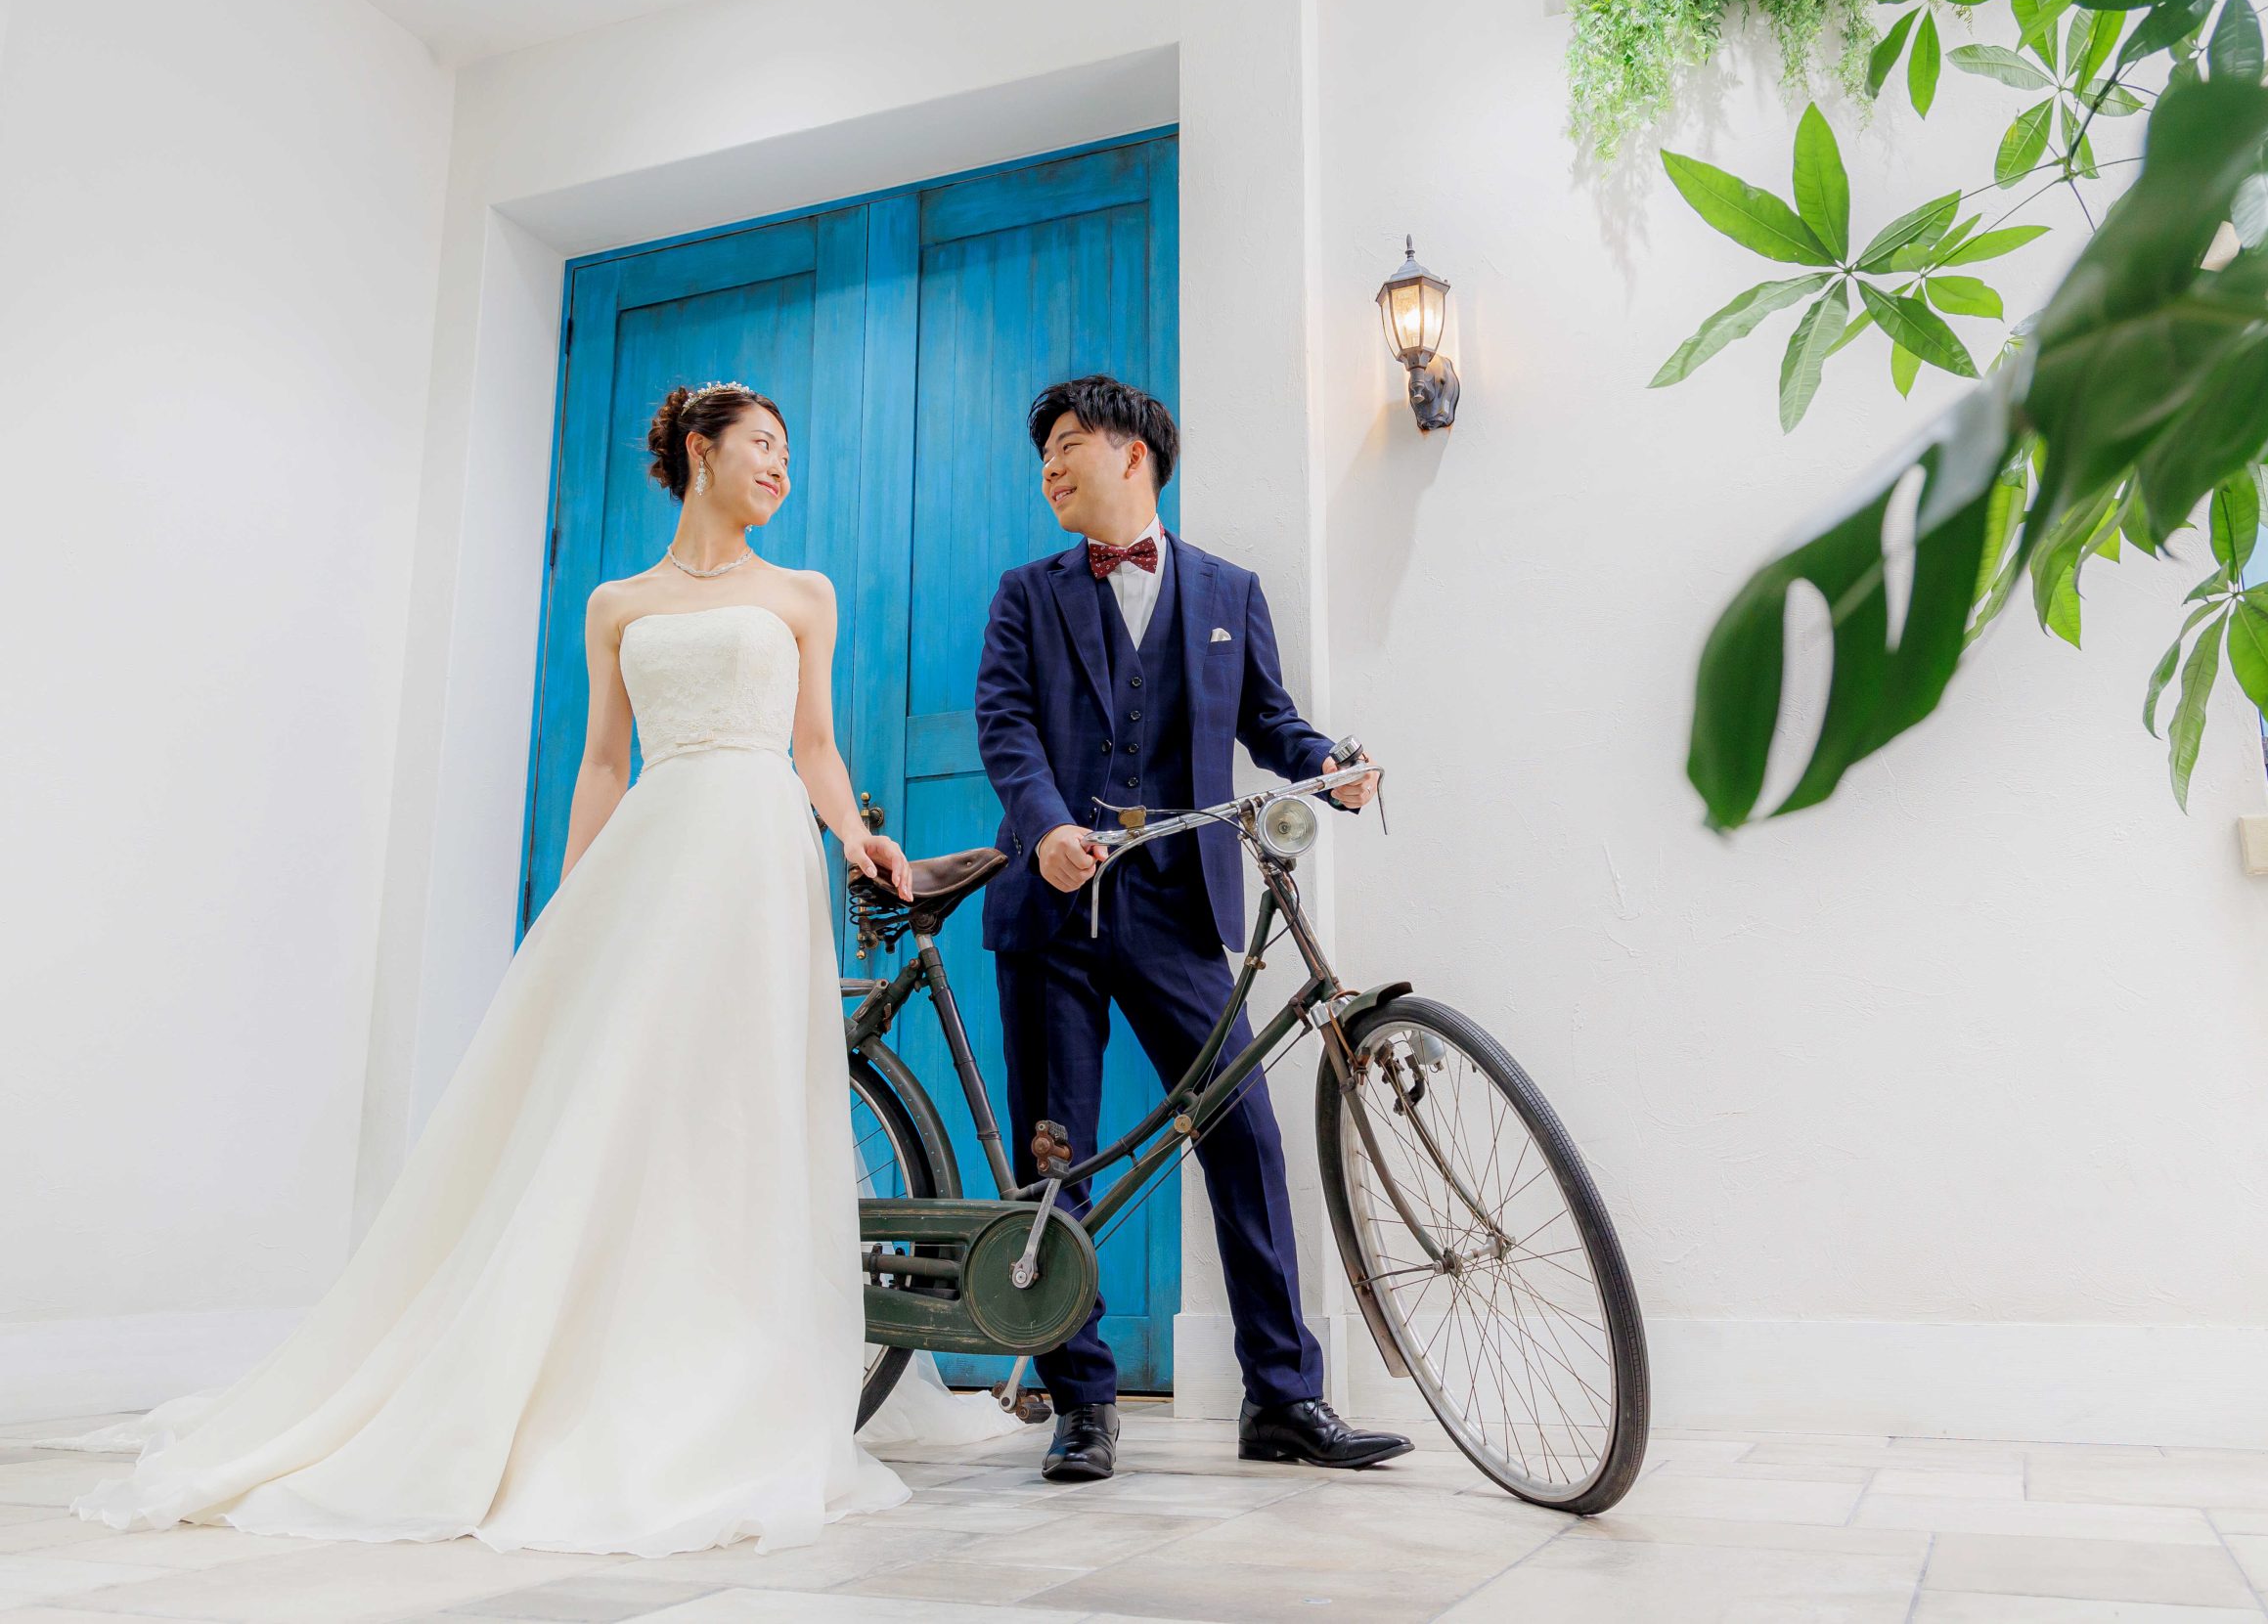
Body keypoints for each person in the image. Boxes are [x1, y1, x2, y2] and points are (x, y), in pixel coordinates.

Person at [44, 380, 1018, 1557]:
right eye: (761, 446)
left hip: (758, 852)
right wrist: (573, 899)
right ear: (699, 451)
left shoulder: (802, 594)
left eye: (786, 453)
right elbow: (604, 761)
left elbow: (813, 742)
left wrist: (856, 835)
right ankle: (577, 1349)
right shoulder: (617, 604)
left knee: (738, 1097)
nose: (780, 468)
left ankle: (727, 1357)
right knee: (618, 1096)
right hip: (658, 844)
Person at [972, 373, 1412, 1483]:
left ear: (1135, 454)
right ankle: (1081, 1402)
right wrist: (1046, 828)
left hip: (1176, 908)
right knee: (1055, 1156)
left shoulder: (1228, 590)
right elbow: (1005, 724)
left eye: (1068, 443)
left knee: (1246, 1139)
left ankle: (1284, 1399)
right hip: (1054, 908)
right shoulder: (1026, 594)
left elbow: (1268, 721)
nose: (1049, 466)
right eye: (1041, 452)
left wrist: (1328, 764)